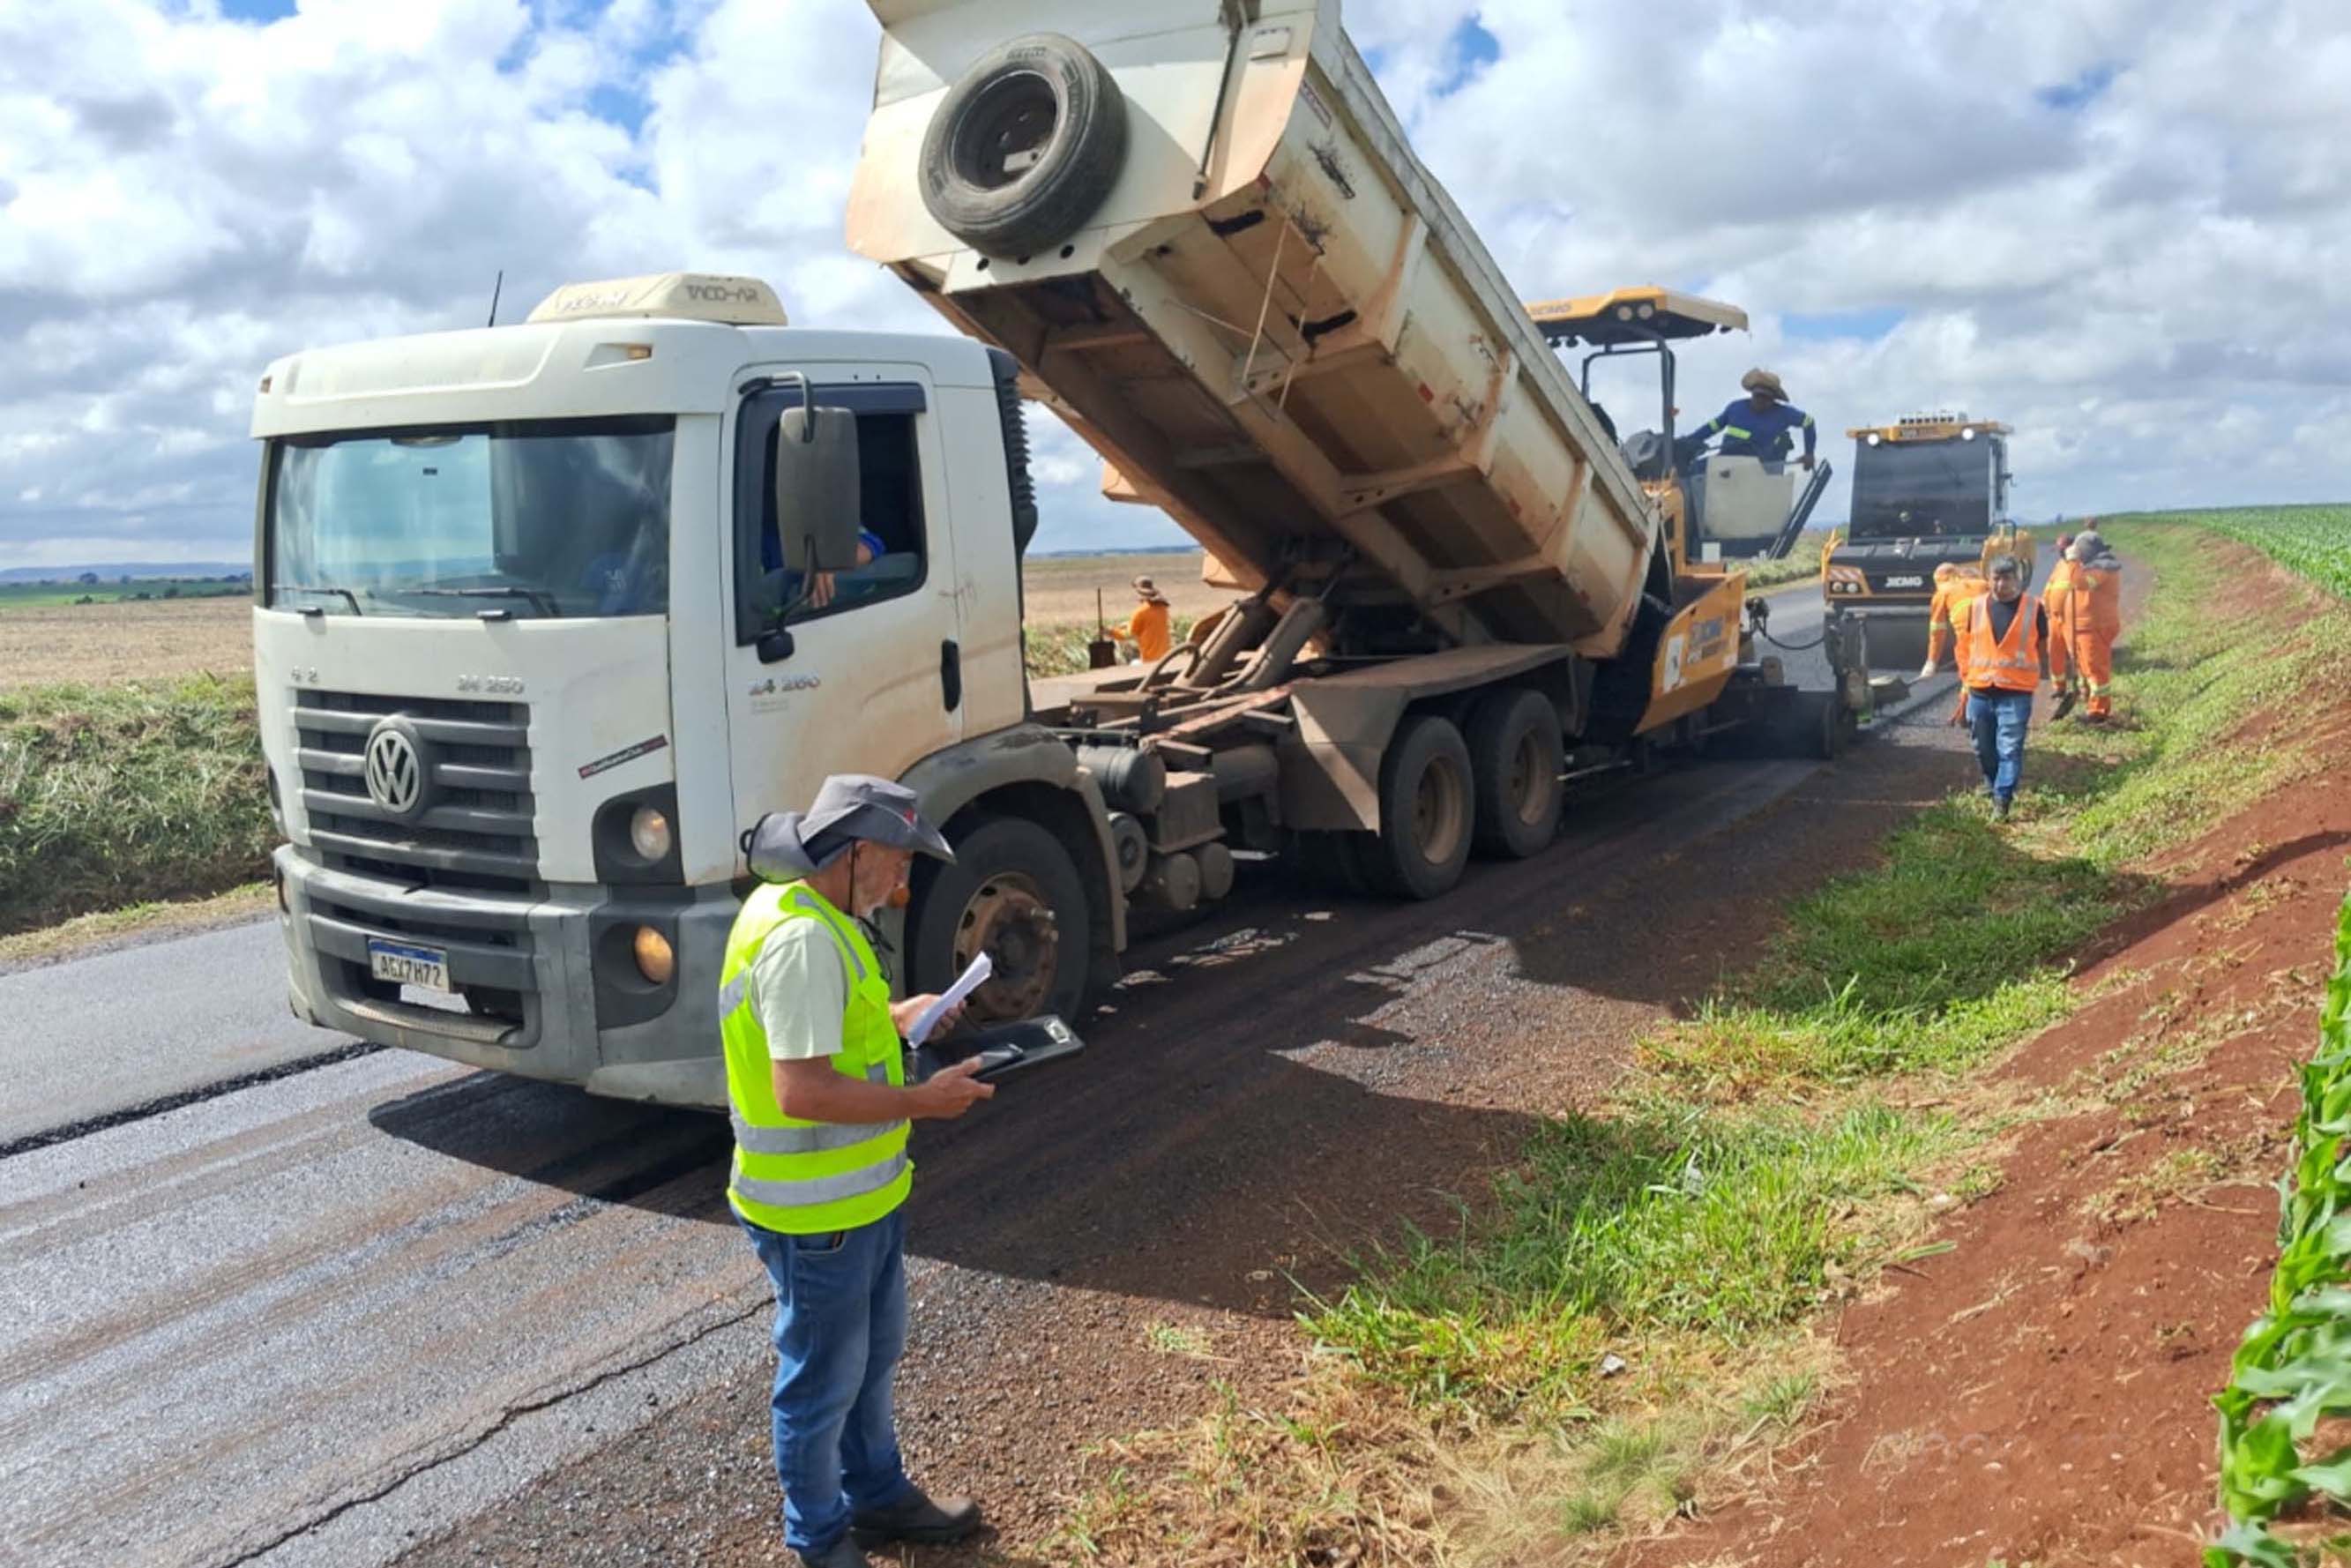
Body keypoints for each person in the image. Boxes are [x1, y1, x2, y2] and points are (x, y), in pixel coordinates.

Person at [722, 775, 995, 1568]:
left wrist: (912, 1014)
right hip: (818, 1219)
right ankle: (820, 1541)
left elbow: (842, 1028)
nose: (903, 883)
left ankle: (876, 1495)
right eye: (897, 864)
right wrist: (923, 1101)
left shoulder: (819, 916)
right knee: (821, 1385)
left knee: (871, 1359)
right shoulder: (803, 941)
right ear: (857, 851)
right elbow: (799, 1088)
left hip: (860, 1200)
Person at [1948, 555, 2047, 821]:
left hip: (2015, 692)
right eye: (1997, 578)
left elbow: (2044, 647)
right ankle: (1992, 784)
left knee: (2010, 748)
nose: (2002, 584)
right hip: (1980, 691)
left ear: (2018, 579)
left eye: (2008, 578)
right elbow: (1965, 648)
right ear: (1988, 579)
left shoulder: (2034, 608)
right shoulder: (1974, 607)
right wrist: (1966, 686)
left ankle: (2002, 799)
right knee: (1983, 747)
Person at [1688, 369, 1817, 471]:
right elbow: (1711, 428)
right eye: (1758, 395)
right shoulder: (1735, 408)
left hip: (1757, 471)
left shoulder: (1783, 414)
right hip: (1724, 463)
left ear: (1773, 399)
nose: (1761, 400)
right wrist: (1687, 442)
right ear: (1752, 393)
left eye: (1766, 397)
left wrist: (1809, 454)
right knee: (1691, 469)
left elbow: (1808, 422)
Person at [2066, 528, 2123, 721]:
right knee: (2087, 668)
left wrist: (2072, 561)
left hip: (2096, 626)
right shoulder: (2096, 567)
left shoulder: (2103, 570)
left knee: (2095, 668)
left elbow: (2080, 583)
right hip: (2088, 627)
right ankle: (2092, 703)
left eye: (2080, 552)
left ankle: (2098, 711)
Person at [2043, 534, 2079, 705]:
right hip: (2055, 617)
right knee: (2054, 651)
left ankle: (2079, 686)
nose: (2060, 553)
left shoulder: (2079, 565)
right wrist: (2046, 605)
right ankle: (2059, 686)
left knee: (2075, 652)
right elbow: (2050, 586)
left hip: (2071, 617)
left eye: (2062, 549)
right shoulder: (2059, 565)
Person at [1109, 575, 1173, 662]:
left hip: (1149, 660)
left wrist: (1110, 632)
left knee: (1133, 663)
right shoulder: (1163, 608)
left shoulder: (1141, 612)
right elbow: (1150, 625)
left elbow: (1128, 634)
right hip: (1165, 659)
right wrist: (1127, 624)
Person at [1918, 562, 1967, 676]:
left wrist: (1931, 662)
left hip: (1969, 640)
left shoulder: (1942, 593)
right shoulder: (1982, 584)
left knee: (1970, 678)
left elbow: (1937, 631)